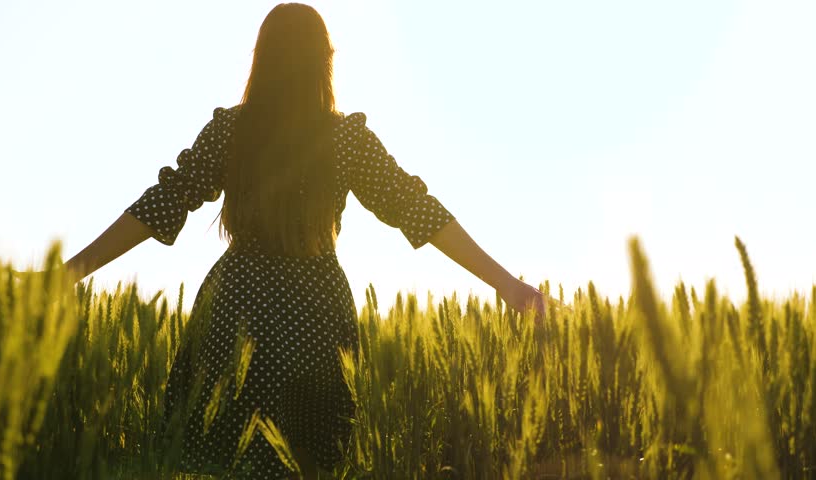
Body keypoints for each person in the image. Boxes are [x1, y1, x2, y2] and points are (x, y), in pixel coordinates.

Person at [61, 3, 546, 478]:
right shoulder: (344, 139)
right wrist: (506, 284)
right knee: (310, 463)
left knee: (224, 461)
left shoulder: (232, 130)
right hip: (316, 316)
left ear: (261, 58)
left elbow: (161, 203)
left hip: (236, 308)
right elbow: (416, 209)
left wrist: (69, 273)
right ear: (324, 61)